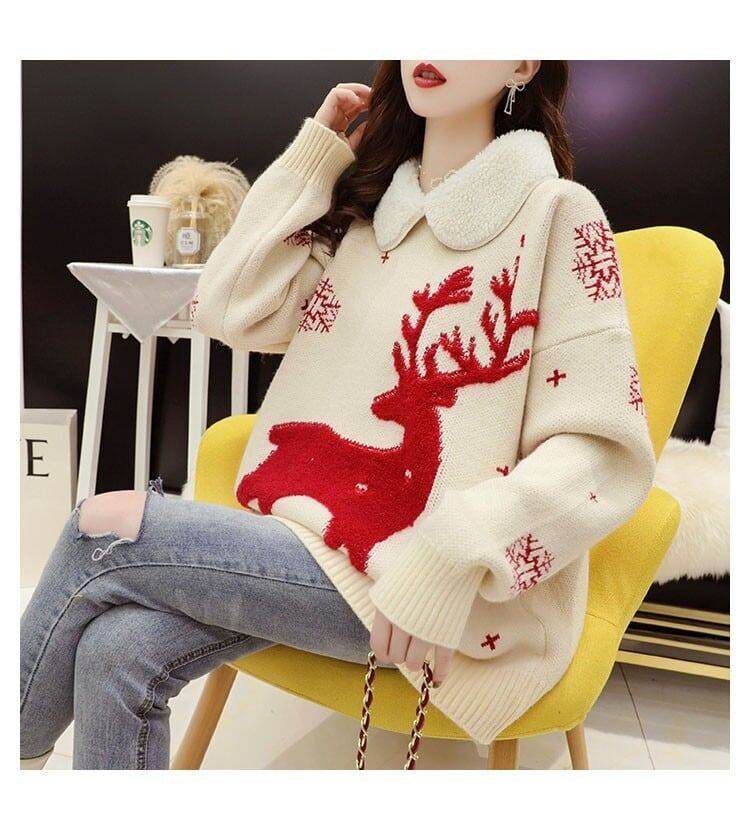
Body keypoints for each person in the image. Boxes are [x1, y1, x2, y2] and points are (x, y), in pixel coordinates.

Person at [20, 60, 656, 770]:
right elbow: (227, 308)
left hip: (435, 584)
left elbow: (605, 452)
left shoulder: (559, 215)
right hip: (303, 539)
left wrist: (452, 553)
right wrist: (314, 156)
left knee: (102, 528)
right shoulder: (371, 216)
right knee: (115, 651)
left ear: (523, 62)